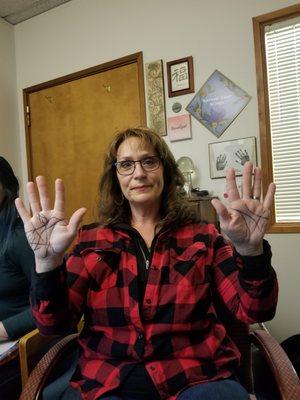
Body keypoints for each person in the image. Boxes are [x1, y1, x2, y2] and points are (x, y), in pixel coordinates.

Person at [16, 127, 278, 400]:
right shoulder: (90, 240)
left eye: (149, 161)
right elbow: (54, 325)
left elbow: (256, 309)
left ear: (165, 170)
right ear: (115, 176)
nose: (138, 173)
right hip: (105, 381)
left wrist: (250, 250)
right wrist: (46, 262)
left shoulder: (204, 236)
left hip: (197, 376)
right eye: (126, 165)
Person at [0, 156, 36, 398]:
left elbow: (53, 303)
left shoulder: (20, 236)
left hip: (23, 343)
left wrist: (4, 328)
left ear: (6, 186)